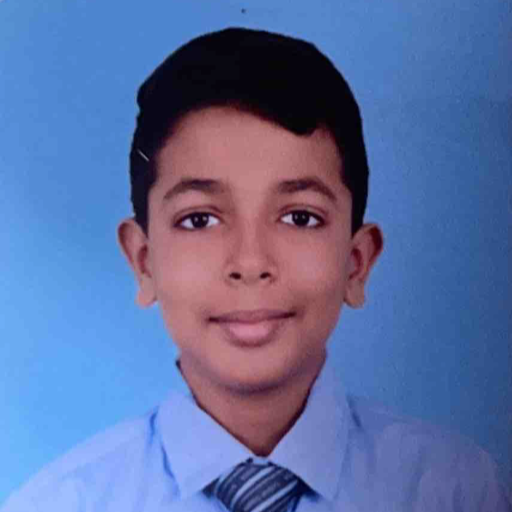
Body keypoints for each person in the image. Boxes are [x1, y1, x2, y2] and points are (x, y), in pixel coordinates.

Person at [2, 27, 510, 512]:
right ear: (144, 261)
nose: (250, 264)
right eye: (199, 219)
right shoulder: (61, 504)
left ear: (357, 263)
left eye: (299, 217)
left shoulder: (456, 490)